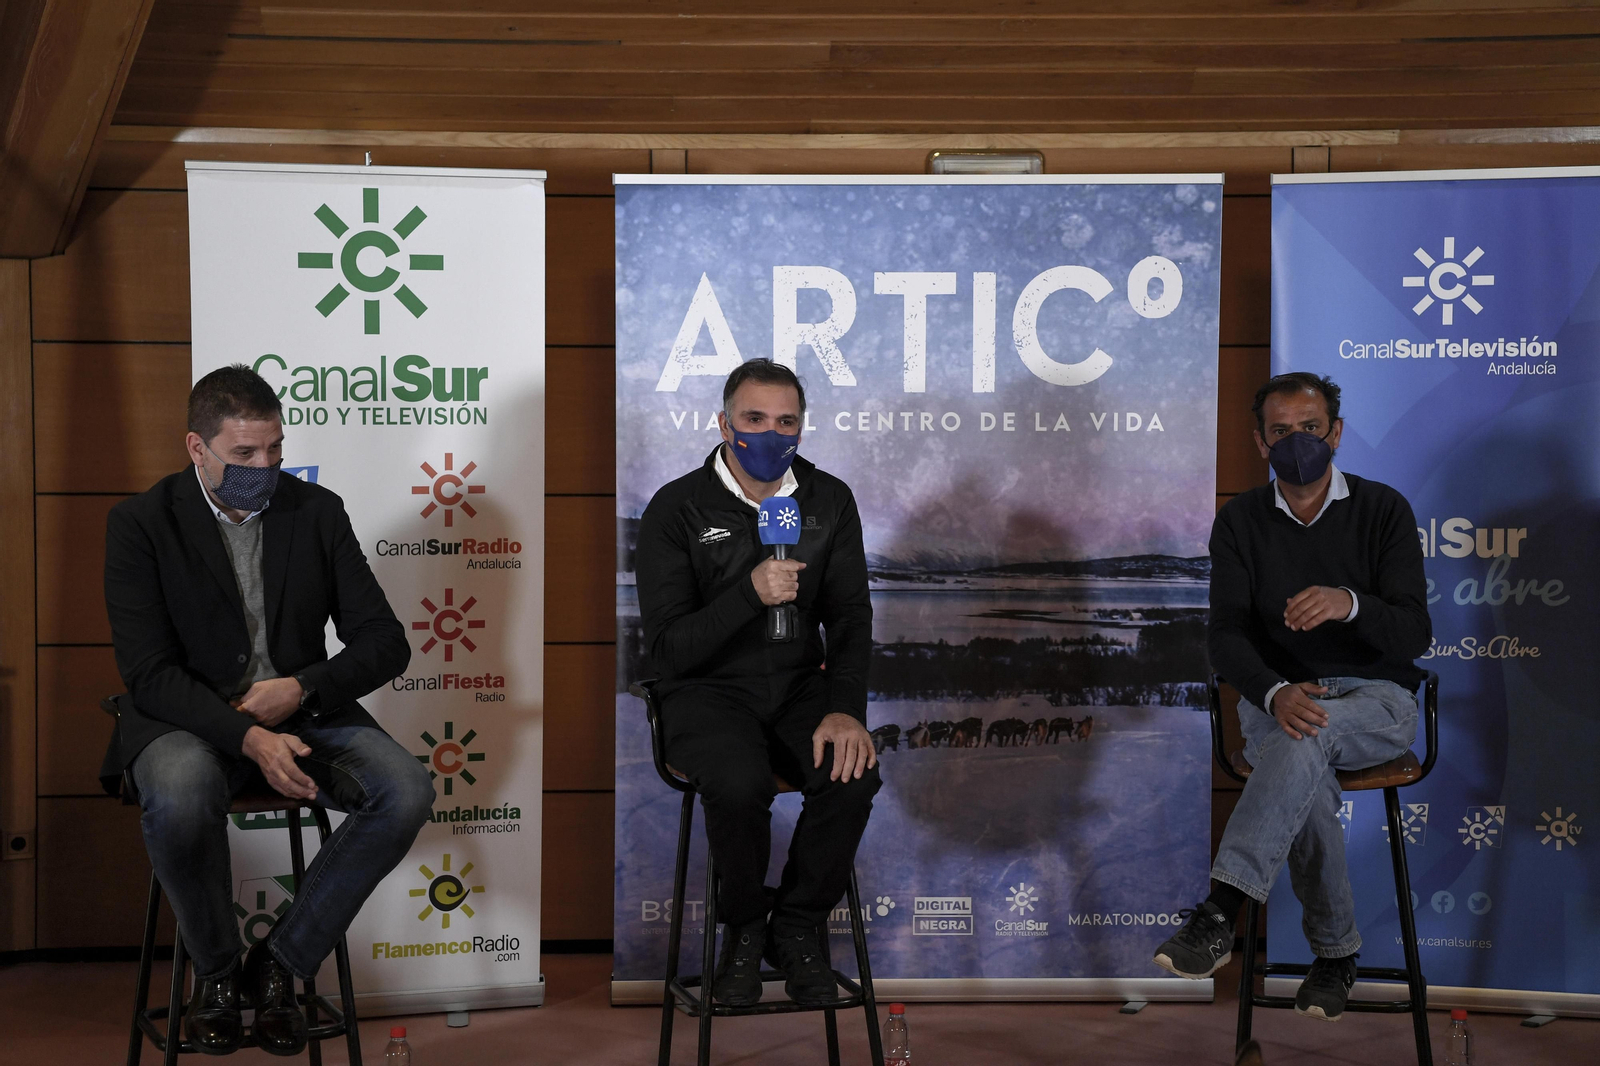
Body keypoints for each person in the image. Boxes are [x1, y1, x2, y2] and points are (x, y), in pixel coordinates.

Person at [101, 365, 434, 1056]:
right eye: (245, 455)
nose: (265, 468)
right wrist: (249, 735)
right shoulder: (140, 523)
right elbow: (149, 674)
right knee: (182, 790)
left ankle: (280, 967)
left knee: (405, 790)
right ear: (198, 449)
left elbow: (386, 643)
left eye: (275, 451)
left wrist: (303, 689)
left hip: (304, 712)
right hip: (188, 718)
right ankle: (217, 976)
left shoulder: (316, 511)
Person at [1152, 372, 1430, 1022]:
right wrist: (1274, 691)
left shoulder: (1382, 509)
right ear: (1260, 440)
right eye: (1282, 432)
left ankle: (1221, 912)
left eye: (1310, 429)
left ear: (1335, 432)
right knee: (1302, 767)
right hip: (1275, 701)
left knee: (1310, 734)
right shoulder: (1242, 520)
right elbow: (1224, 636)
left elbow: (1415, 633)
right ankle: (1335, 957)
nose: (1297, 441)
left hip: (1377, 698)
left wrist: (1350, 602)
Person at [635, 358, 880, 1007]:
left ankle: (795, 927)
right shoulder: (676, 508)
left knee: (852, 772)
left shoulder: (829, 500)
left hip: (798, 687)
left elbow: (851, 615)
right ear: (724, 424)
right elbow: (666, 648)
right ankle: (743, 928)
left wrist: (845, 709)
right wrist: (748, 593)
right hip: (703, 691)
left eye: (786, 421)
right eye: (754, 420)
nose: (770, 434)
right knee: (740, 784)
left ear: (801, 428)